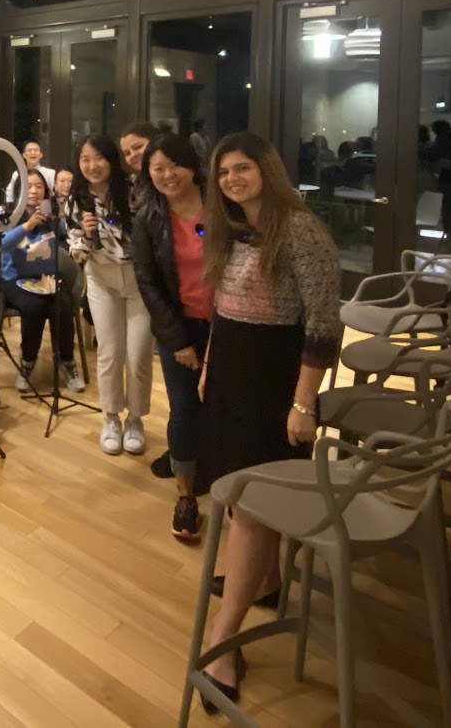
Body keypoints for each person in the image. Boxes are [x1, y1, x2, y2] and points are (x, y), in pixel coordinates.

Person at [194, 131, 341, 708]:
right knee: (239, 495)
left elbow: (324, 324)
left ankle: (223, 640)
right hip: (231, 368)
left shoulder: (300, 229)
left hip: (275, 377)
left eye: (242, 168)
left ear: (266, 171)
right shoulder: (233, 228)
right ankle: (268, 581)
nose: (231, 179)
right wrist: (210, 363)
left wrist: (304, 403)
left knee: (252, 502)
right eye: (223, 171)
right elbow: (222, 305)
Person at [131, 135, 213, 541]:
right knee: (183, 407)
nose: (167, 175)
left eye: (173, 165)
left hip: (229, 324)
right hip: (178, 327)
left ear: (192, 164)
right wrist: (178, 341)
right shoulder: (148, 217)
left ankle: (222, 474)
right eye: (157, 168)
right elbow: (148, 283)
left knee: (222, 404)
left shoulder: (223, 208)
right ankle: (185, 495)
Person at [68, 135, 152, 456]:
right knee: (110, 352)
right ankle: (112, 418)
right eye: (85, 159)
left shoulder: (133, 191)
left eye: (98, 158)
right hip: (101, 280)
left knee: (139, 354)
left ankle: (135, 419)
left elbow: (147, 237)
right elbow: (76, 254)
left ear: (111, 160)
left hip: (138, 281)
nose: (92, 166)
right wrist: (88, 236)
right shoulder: (75, 200)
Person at [0, 169, 82, 394]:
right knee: (33, 306)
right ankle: (27, 362)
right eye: (28, 186)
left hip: (46, 278)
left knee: (62, 305)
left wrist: (62, 220)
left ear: (46, 191)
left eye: (39, 186)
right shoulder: (9, 215)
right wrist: (27, 226)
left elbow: (68, 239)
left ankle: (67, 361)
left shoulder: (51, 215)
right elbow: (2, 244)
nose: (34, 191)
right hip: (15, 280)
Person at [118, 120, 158, 211]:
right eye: (127, 153)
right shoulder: (137, 185)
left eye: (138, 147)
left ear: (155, 142)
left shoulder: (167, 179)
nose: (133, 155)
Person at [5, 139, 56, 207]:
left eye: (36, 150)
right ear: (24, 155)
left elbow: (54, 194)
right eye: (29, 150)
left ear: (41, 154)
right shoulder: (17, 174)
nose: (33, 152)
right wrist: (10, 207)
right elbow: (10, 192)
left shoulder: (50, 173)